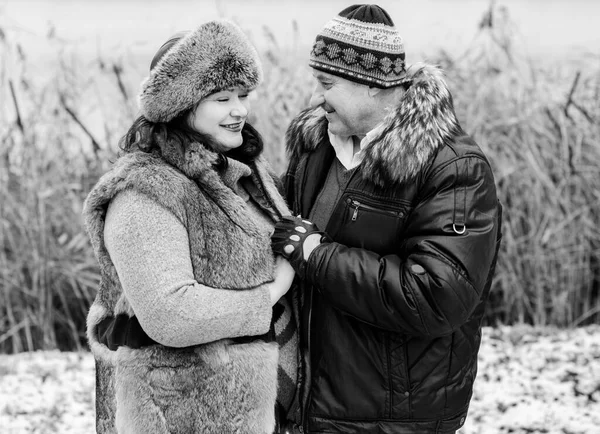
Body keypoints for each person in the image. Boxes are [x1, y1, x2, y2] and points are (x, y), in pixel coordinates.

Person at [271, 4, 503, 434]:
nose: (315, 98)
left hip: (393, 421)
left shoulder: (452, 167)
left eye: (327, 83)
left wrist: (315, 255)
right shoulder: (317, 146)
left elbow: (437, 296)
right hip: (310, 408)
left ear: (373, 85)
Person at [83, 20, 298, 434]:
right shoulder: (144, 192)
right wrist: (274, 290)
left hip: (246, 408)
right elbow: (172, 313)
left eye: (243, 95)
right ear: (178, 104)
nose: (240, 110)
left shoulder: (239, 172)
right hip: (180, 414)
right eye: (221, 98)